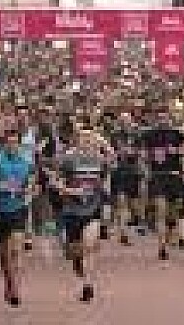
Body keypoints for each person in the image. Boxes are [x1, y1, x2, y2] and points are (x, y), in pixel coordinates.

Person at [51, 125, 109, 303]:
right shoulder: (68, 159)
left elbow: (106, 177)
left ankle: (88, 285)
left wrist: (103, 194)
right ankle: (82, 275)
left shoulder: (100, 159)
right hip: (72, 210)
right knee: (75, 254)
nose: (87, 141)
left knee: (89, 246)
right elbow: (55, 181)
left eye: (90, 138)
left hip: (92, 209)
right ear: (77, 140)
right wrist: (68, 190)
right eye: (83, 138)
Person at [0, 129, 34, 307]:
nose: (12, 146)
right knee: (4, 255)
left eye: (15, 143)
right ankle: (9, 283)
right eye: (9, 143)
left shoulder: (26, 161)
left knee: (16, 249)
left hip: (18, 209)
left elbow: (32, 181)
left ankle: (15, 289)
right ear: (4, 145)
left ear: (19, 144)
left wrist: (29, 189)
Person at [142, 107, 184, 261]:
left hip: (175, 175)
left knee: (173, 212)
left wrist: (176, 152)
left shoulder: (178, 134)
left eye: (165, 117)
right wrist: (148, 164)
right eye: (160, 117)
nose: (163, 120)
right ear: (156, 119)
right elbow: (143, 155)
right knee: (160, 210)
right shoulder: (149, 135)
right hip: (157, 176)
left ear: (170, 118)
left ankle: (170, 229)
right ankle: (162, 246)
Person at [109, 114, 143, 245]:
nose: (124, 123)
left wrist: (133, 152)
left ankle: (137, 221)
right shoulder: (114, 135)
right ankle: (123, 233)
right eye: (122, 120)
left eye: (127, 120)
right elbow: (109, 151)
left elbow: (142, 152)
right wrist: (117, 154)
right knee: (121, 201)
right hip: (118, 171)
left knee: (133, 203)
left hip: (132, 172)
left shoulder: (137, 135)